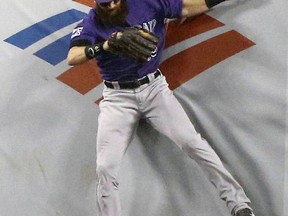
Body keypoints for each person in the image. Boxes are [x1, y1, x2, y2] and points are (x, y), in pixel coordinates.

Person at [67, 0, 255, 215]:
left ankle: (239, 205)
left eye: (114, 1)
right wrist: (105, 46)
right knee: (105, 167)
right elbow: (73, 56)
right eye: (104, 3)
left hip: (154, 88)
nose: (109, 6)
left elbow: (187, 7)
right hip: (118, 97)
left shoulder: (148, 3)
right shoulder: (93, 22)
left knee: (193, 142)